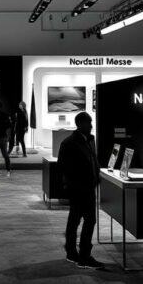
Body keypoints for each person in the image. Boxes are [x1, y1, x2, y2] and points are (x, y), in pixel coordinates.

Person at [58, 112, 103, 269]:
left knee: (76, 219)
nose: (91, 126)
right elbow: (64, 167)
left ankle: (73, 252)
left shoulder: (89, 140)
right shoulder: (69, 143)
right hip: (79, 189)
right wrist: (74, 185)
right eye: (88, 123)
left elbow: (92, 161)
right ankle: (83, 255)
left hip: (88, 188)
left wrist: (96, 178)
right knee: (86, 220)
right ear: (80, 124)